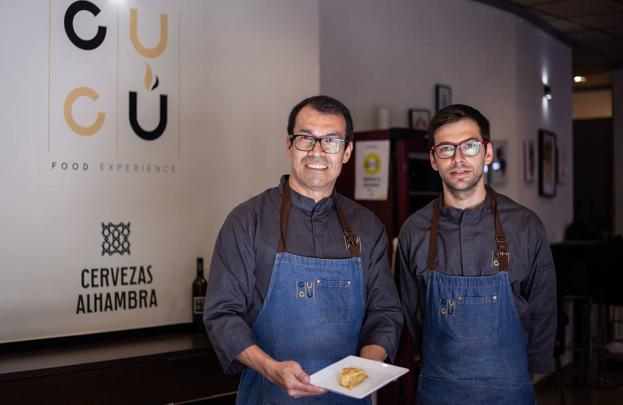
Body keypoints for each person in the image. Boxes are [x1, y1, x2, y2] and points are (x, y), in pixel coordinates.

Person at [204, 95, 403, 404]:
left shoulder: (367, 227)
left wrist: (366, 364)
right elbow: (222, 315)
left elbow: (385, 312)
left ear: (347, 151)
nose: (317, 152)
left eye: (331, 142)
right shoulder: (247, 221)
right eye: (306, 139)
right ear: (289, 144)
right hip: (269, 396)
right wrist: (270, 369)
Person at [398, 104, 556, 404]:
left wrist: (526, 376)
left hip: (510, 391)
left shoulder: (525, 226)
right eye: (446, 149)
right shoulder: (413, 232)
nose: (458, 159)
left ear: (487, 153)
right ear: (433, 159)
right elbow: (413, 313)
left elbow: (543, 308)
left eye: (469, 146)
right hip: (438, 391)